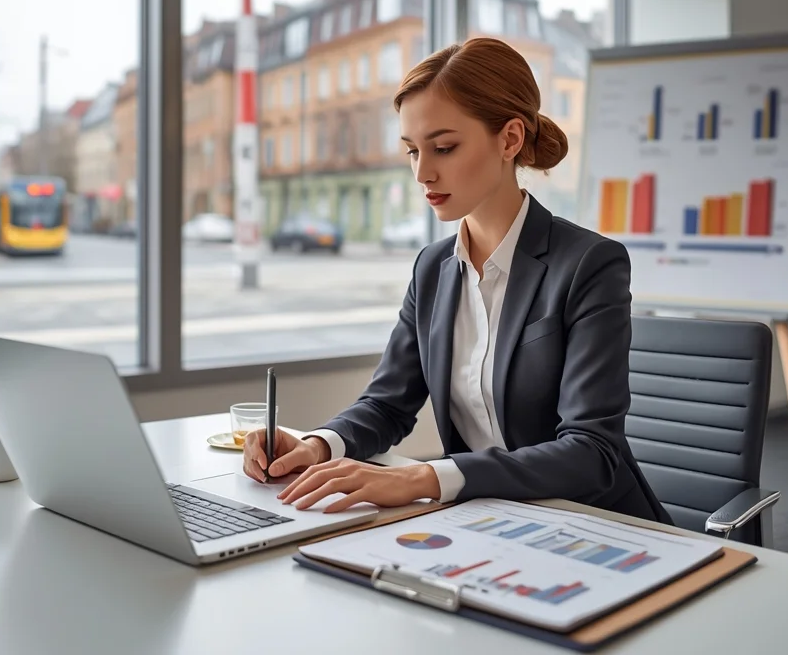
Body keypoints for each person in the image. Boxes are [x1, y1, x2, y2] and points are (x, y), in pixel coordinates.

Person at [242, 37, 671, 525]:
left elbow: (591, 452)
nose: (423, 172)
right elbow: (388, 404)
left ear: (509, 139)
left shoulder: (589, 264)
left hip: (591, 524)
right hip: (489, 523)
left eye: (443, 147)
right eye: (412, 151)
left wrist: (427, 477)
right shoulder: (433, 268)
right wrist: (317, 444)